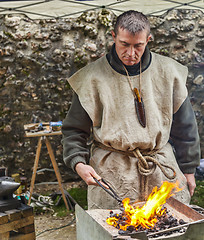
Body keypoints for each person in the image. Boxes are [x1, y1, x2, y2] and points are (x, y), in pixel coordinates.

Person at [62, 10, 200, 209]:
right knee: (114, 231)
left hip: (160, 169)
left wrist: (188, 169)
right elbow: (74, 130)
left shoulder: (169, 72)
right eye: (124, 44)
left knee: (168, 230)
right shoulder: (91, 78)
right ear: (114, 36)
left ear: (148, 40)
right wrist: (79, 163)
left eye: (138, 46)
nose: (131, 53)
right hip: (112, 173)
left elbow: (185, 128)